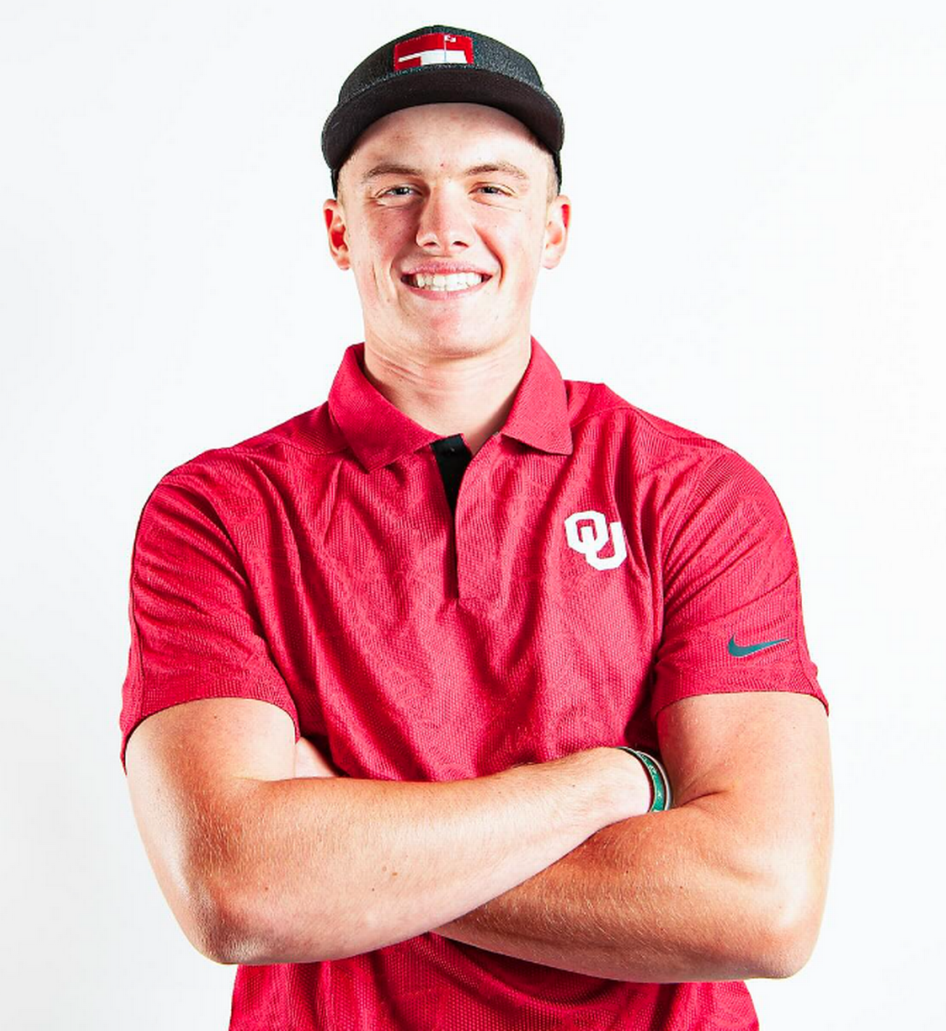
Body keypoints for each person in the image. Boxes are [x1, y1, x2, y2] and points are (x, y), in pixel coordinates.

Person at [119, 25, 832, 1031]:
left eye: (491, 186)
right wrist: (617, 779)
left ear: (555, 226)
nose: (441, 226)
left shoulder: (693, 493)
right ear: (339, 231)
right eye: (394, 188)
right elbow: (241, 888)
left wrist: (351, 849)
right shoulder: (219, 512)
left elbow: (764, 903)